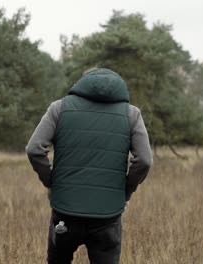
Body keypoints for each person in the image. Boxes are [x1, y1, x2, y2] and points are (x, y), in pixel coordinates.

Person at [26, 68, 152, 264]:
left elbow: (34, 149)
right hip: (107, 214)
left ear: (83, 82)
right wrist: (125, 192)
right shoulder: (131, 114)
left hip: (65, 211)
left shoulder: (59, 108)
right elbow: (144, 160)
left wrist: (51, 182)